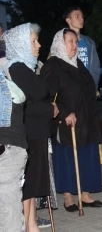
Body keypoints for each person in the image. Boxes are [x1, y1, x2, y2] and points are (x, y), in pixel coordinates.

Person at [41, 29, 102, 210]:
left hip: (86, 121)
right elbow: (47, 96)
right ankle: (68, 197)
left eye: (76, 42)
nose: (74, 46)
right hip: (67, 122)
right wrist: (62, 113)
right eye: (70, 41)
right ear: (60, 44)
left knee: (86, 155)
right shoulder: (53, 66)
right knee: (67, 158)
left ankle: (85, 194)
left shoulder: (77, 64)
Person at [3, 23, 59, 232]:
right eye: (33, 41)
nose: (38, 45)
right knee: (29, 181)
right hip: (30, 131)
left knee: (35, 180)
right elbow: (26, 103)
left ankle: (32, 222)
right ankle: (29, 225)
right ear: (21, 44)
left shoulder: (28, 66)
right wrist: (49, 110)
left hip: (38, 132)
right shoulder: (17, 68)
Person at [0, 61, 27, 231]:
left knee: (10, 213)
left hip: (11, 148)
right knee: (9, 215)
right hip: (8, 150)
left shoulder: (5, 74)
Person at [62, 7, 100, 90]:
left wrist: (93, 88)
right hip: (69, 91)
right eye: (77, 16)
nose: (81, 19)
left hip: (86, 89)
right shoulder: (61, 41)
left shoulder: (90, 43)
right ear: (68, 20)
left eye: (82, 16)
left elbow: (95, 69)